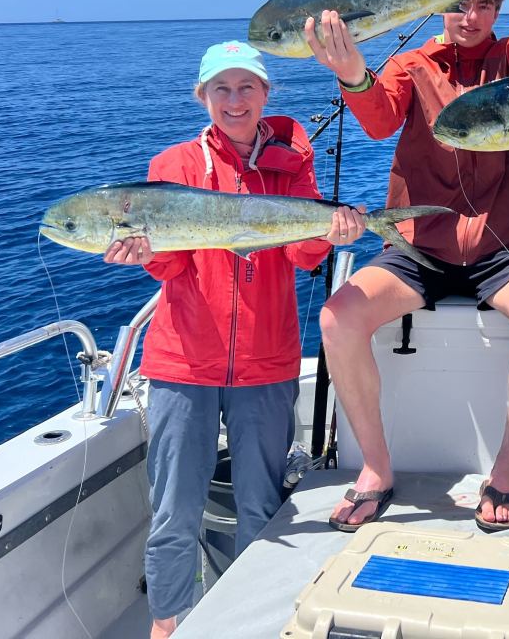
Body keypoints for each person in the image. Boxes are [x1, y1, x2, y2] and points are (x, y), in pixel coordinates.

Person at [304, 0, 509, 533]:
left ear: (498, 9)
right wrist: (351, 73)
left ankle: (506, 467)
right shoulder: (413, 62)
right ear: (438, 5)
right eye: (457, 2)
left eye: (482, 4)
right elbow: (377, 118)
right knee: (336, 318)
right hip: (418, 246)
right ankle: (375, 467)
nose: (468, 16)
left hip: (503, 245)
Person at [103, 40, 365, 639]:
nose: (235, 100)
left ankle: (260, 621)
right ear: (203, 98)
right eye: (221, 88)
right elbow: (171, 270)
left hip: (266, 363)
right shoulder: (173, 165)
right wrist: (146, 255)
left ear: (266, 95)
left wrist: (331, 230)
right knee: (173, 512)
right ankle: (166, 624)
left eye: (247, 87)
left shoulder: (293, 162)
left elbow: (303, 257)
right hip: (181, 363)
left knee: (262, 509)